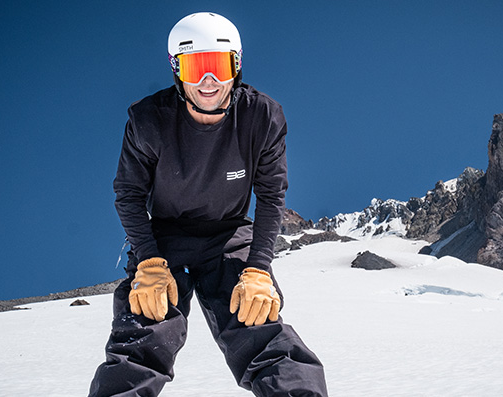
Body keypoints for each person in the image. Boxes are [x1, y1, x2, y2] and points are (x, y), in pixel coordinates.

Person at [88, 12, 328, 397]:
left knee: (259, 329)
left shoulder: (261, 117)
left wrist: (259, 270)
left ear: (236, 65)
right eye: (194, 67)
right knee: (144, 335)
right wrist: (148, 261)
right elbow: (129, 194)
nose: (207, 81)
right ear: (176, 70)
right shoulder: (149, 121)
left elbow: (270, 196)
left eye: (217, 66)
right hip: (165, 241)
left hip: (229, 235)